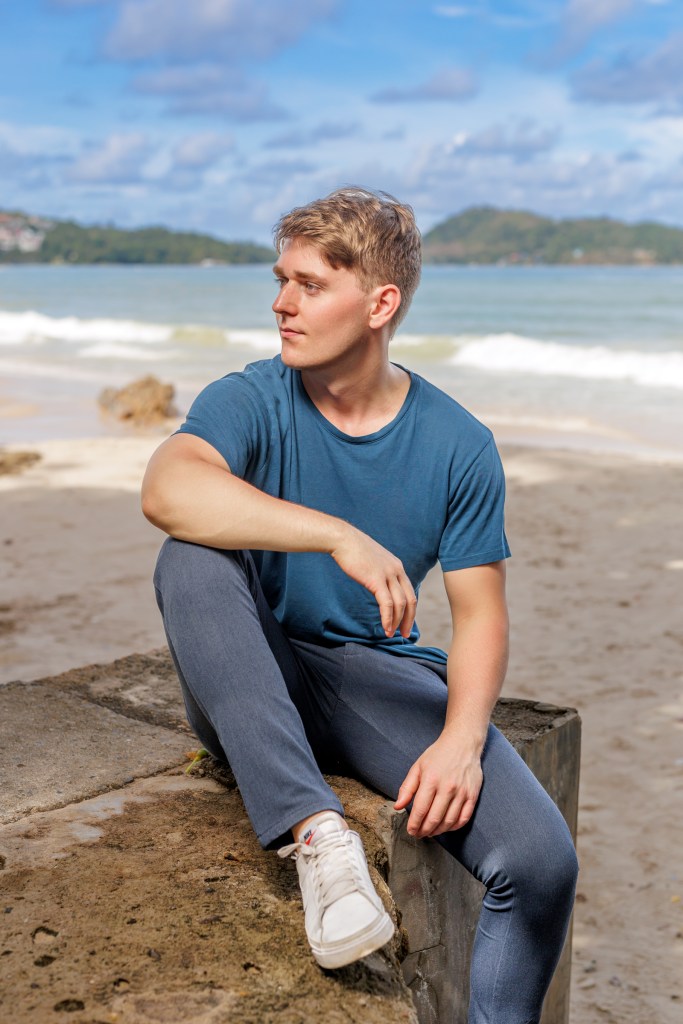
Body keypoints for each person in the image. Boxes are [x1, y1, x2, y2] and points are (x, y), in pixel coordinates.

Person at [142, 186, 578, 1022]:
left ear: (380, 304)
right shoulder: (250, 397)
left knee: (538, 861)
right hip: (247, 670)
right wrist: (335, 534)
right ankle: (316, 837)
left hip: (373, 680)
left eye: (309, 284)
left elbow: (481, 613)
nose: (281, 302)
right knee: (189, 558)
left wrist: (460, 740)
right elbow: (167, 489)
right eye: (281, 279)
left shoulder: (457, 443)